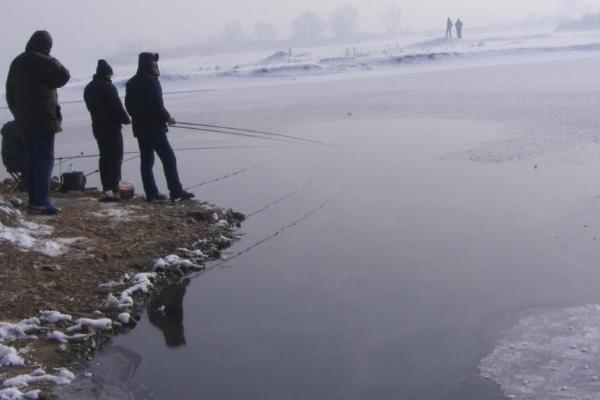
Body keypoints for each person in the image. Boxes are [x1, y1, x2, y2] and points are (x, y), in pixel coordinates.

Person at [5, 31, 70, 214]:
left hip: (24, 122)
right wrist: (49, 57)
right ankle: (41, 202)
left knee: (32, 160)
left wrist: (18, 114)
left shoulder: (17, 62)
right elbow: (64, 75)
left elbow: (9, 92)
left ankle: (35, 201)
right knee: (44, 161)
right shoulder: (43, 61)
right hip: (43, 120)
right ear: (47, 46)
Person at [124, 52, 194, 202]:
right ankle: (176, 191)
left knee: (146, 161)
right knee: (168, 158)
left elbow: (128, 107)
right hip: (155, 128)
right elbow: (157, 105)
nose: (156, 65)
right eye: (154, 63)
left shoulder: (131, 82)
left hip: (139, 128)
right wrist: (168, 117)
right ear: (150, 64)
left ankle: (151, 193)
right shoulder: (151, 81)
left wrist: (139, 117)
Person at [84, 59, 131, 202]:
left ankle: (107, 189)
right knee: (116, 158)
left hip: (98, 127)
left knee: (104, 158)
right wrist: (126, 119)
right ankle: (115, 188)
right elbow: (117, 106)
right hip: (111, 128)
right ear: (107, 74)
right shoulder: (108, 87)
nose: (111, 77)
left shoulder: (89, 88)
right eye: (110, 75)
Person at [1, 121, 27, 189]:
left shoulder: (7, 129)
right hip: (19, 162)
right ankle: (25, 185)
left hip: (7, 162)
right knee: (34, 163)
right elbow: (26, 145)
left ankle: (23, 184)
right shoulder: (21, 128)